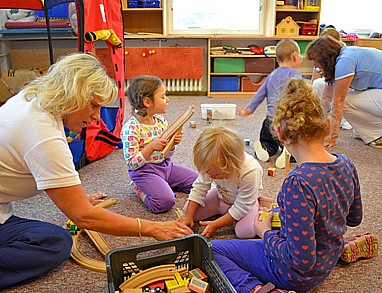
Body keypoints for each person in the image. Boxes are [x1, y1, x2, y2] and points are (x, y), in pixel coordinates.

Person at [0, 53, 193, 290]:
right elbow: (84, 217)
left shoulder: (32, 99)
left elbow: (38, 168)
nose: (96, 117)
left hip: (3, 212)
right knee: (56, 244)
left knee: (50, 238)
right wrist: (151, 227)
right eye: (93, 105)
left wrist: (75, 198)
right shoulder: (43, 135)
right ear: (72, 95)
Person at [212, 78, 365, 293]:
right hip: (326, 261)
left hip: (295, 274)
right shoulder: (346, 164)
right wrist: (282, 214)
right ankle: (344, 247)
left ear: (280, 133)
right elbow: (353, 218)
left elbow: (300, 260)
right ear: (327, 125)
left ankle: (256, 289)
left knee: (212, 250)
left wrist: (264, 232)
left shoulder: (298, 184)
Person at [121, 75, 198, 214]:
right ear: (147, 102)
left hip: (165, 167)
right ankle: (140, 190)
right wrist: (150, 147)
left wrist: (172, 144)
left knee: (199, 183)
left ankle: (161, 185)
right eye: (163, 97)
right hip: (144, 172)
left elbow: (166, 154)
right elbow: (131, 164)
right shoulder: (131, 129)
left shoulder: (161, 121)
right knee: (165, 202)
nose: (167, 100)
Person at [178, 125, 269, 239]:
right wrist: (188, 216)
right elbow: (200, 187)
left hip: (245, 203)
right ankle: (225, 213)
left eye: (216, 175)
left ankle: (259, 208)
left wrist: (216, 224)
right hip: (221, 198)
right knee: (188, 211)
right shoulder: (211, 164)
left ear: (233, 164)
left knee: (245, 232)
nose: (212, 177)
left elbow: (242, 206)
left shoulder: (251, 170)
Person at [306, 35, 382, 148]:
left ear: (326, 58)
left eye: (316, 61)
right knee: (323, 85)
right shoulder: (342, 58)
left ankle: (377, 136)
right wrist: (313, 124)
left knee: (345, 101)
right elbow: (326, 98)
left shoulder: (345, 61)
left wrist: (332, 136)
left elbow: (338, 101)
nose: (316, 65)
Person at [240, 38, 302, 168]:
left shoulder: (272, 75)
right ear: (295, 57)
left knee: (268, 142)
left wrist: (249, 109)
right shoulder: (295, 74)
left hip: (270, 121)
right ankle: (288, 152)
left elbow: (260, 94)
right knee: (295, 143)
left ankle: (264, 149)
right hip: (288, 121)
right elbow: (301, 95)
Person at [310, 27, 352, 130]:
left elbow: (346, 88)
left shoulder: (344, 58)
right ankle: (319, 114)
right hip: (332, 87)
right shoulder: (321, 55)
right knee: (318, 83)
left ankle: (343, 118)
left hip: (347, 89)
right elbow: (315, 81)